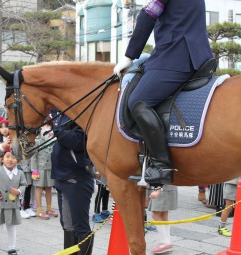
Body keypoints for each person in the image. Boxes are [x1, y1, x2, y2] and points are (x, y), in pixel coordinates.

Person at [113, 0, 214, 185]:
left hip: (175, 56)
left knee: (138, 102)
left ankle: (162, 166)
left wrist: (129, 55)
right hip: (194, 54)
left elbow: (148, 15)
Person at [52, 114, 94, 255]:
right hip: (61, 178)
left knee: (81, 227)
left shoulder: (82, 113)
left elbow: (78, 141)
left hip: (77, 179)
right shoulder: (61, 115)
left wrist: (57, 130)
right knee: (67, 226)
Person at [0, 147, 27, 255]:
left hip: (13, 206)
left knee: (12, 229)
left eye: (14, 158)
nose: (10, 159)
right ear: (2, 159)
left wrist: (18, 191)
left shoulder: (20, 173)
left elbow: (24, 184)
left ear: (18, 161)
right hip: (0, 205)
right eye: (7, 156)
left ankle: (12, 248)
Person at [31, 122, 58, 220]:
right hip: (40, 169)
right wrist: (34, 170)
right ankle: (39, 210)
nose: (47, 128)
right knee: (39, 188)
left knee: (49, 188)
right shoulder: (37, 141)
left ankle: (49, 208)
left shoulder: (53, 141)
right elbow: (33, 157)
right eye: (44, 126)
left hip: (49, 168)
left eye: (49, 126)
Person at [148, 185, 178, 254]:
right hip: (165, 186)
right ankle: (167, 242)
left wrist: (157, 189)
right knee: (163, 213)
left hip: (162, 185)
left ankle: (165, 242)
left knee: (155, 214)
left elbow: (162, 174)